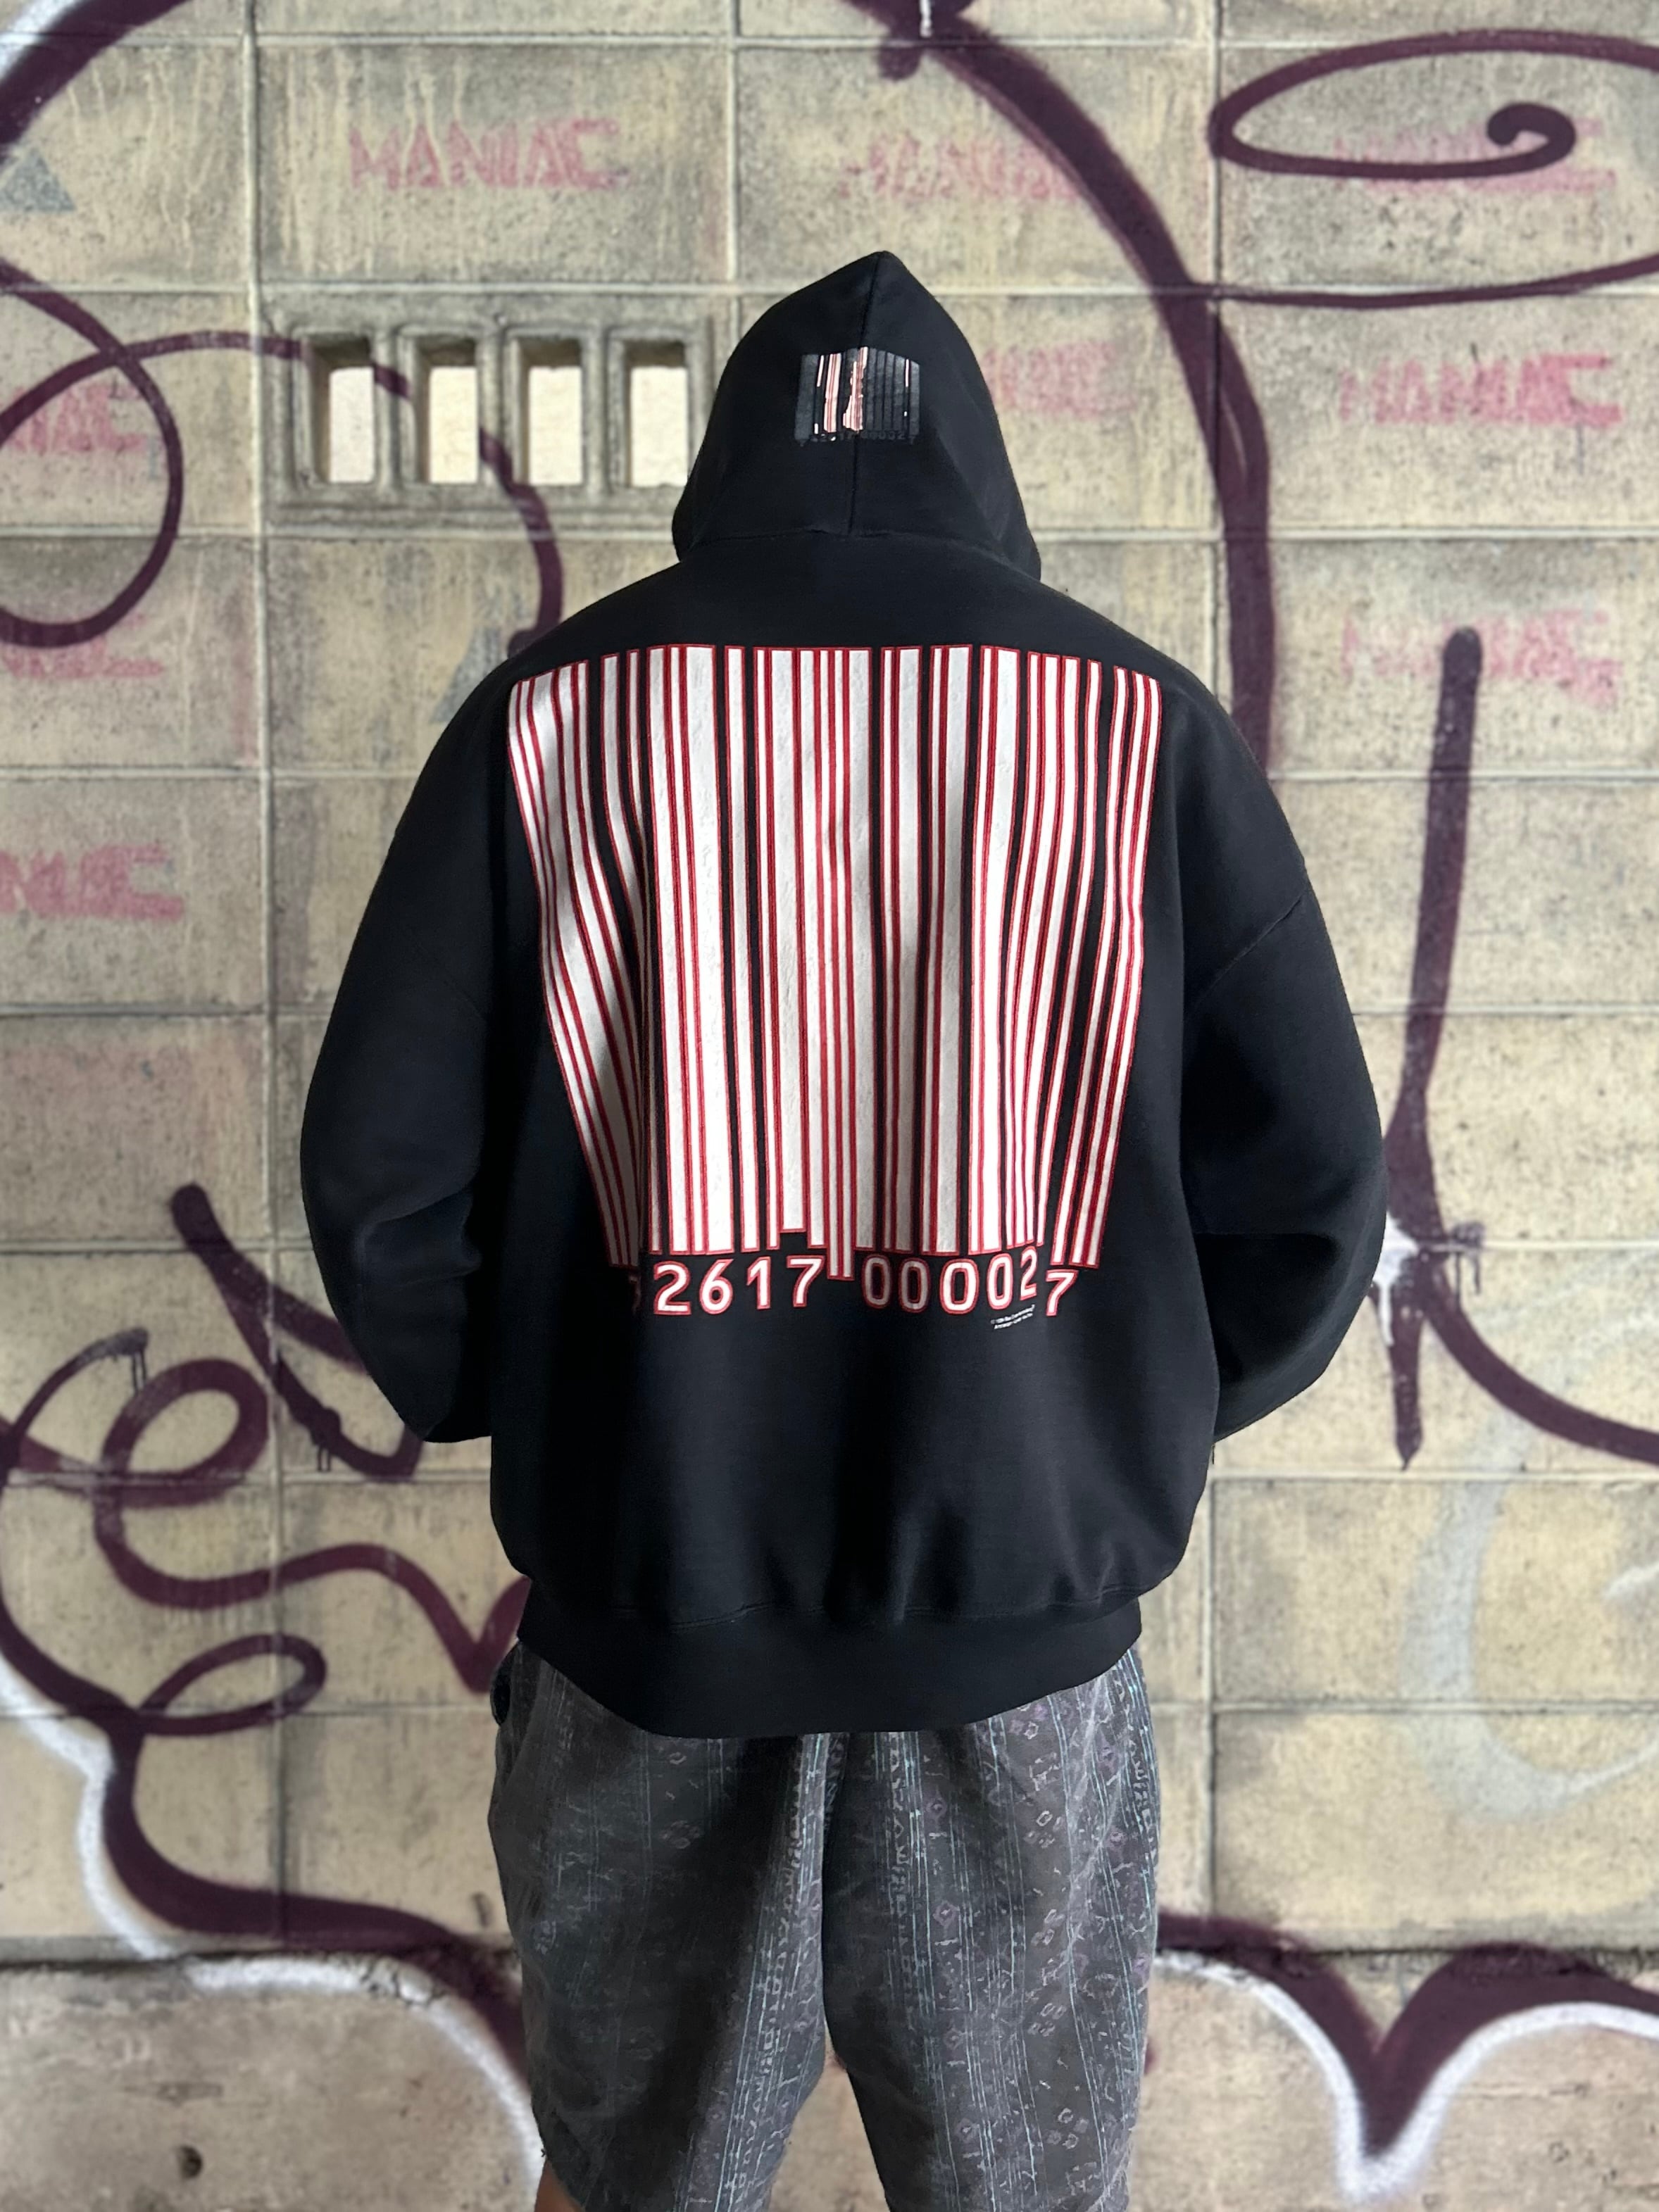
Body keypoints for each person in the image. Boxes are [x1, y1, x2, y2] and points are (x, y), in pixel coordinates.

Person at [300, 249, 1387, 2212]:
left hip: (649, 1623)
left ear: (730, 454)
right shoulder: (1138, 727)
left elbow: (386, 1181)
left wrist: (551, 1404)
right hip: (1023, 1655)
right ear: (977, 459)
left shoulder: (552, 723)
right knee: (1025, 2190)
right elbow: (1311, 1191)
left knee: (636, 2186)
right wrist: (1094, 1419)